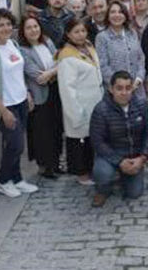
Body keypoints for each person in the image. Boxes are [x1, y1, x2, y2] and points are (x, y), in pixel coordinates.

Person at [0, 9, 39, 198]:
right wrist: (3, 111)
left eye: (8, 24)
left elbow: (18, 73)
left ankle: (17, 179)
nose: (5, 28)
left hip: (20, 101)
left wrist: (27, 93)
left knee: (18, 144)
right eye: (0, 25)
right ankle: (3, 181)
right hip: (5, 106)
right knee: (15, 144)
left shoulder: (13, 44)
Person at [90, 71, 148, 207]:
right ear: (111, 89)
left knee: (134, 193)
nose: (124, 92)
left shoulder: (142, 106)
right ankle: (103, 190)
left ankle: (125, 176)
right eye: (119, 88)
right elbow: (97, 142)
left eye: (128, 88)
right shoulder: (101, 110)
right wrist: (119, 161)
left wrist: (142, 158)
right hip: (110, 156)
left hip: (134, 157)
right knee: (102, 173)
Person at [57, 18, 105, 186]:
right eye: (76, 32)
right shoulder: (66, 56)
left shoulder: (89, 47)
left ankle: (92, 169)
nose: (80, 35)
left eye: (83, 31)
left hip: (95, 101)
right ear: (68, 34)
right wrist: (75, 113)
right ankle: (82, 174)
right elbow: (66, 89)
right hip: (79, 105)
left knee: (91, 139)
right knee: (78, 140)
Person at [18, 16, 62, 179]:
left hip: (55, 91)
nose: (33, 30)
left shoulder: (48, 42)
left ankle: (56, 163)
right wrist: (54, 71)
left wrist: (51, 72)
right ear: (23, 31)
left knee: (57, 129)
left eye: (35, 26)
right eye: (28, 28)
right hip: (39, 95)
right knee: (42, 132)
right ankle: (45, 166)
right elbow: (37, 76)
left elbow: (61, 60)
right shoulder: (23, 50)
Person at [96, 2, 146, 101]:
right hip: (116, 92)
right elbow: (103, 66)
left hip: (137, 89)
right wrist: (121, 85)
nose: (117, 15)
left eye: (120, 12)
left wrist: (139, 78)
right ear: (108, 16)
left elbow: (141, 58)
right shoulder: (102, 37)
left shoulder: (132, 33)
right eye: (113, 12)